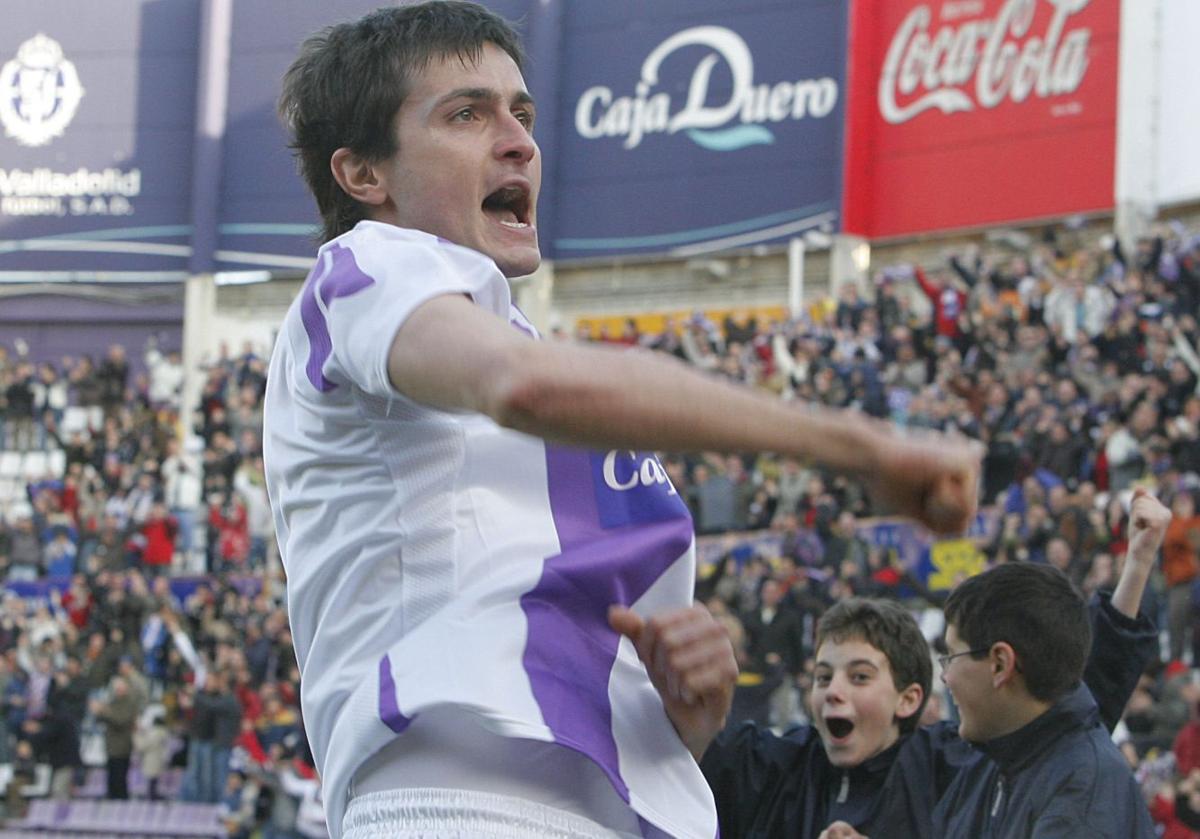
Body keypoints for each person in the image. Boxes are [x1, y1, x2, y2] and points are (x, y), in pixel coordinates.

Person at [266, 3, 980, 837]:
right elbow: (524, 388)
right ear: (363, 176)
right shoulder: (366, 267)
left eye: (522, 114)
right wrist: (859, 446)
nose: (519, 141)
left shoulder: (520, 348)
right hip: (462, 808)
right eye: (467, 113)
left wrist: (691, 707)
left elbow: (613, 700)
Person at [698, 488, 1167, 839]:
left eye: (859, 676)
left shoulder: (967, 764)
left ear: (909, 698)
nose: (832, 691)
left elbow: (1074, 690)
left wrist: (1137, 567)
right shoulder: (786, 768)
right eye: (823, 676)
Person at [931, 547, 1164, 835]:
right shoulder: (1000, 757)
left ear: (1000, 664)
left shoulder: (1082, 791)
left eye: (952, 657)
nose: (945, 677)